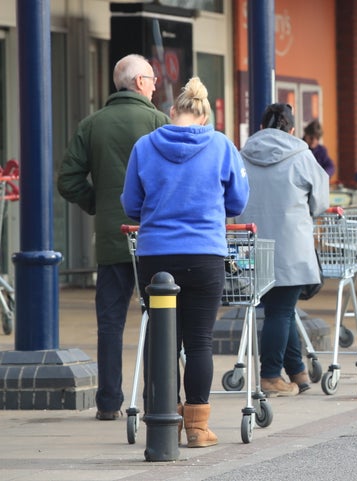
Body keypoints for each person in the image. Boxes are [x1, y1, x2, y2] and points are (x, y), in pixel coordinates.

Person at [120, 77, 250, 447]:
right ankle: (197, 427)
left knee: (162, 340)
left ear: (171, 112)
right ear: (205, 116)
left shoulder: (145, 146)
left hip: (155, 255)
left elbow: (131, 204)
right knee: (198, 343)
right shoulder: (222, 146)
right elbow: (237, 203)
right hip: (205, 254)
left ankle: (163, 419)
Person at [57, 54, 170, 421]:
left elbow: (68, 180)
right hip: (152, 238)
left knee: (110, 324)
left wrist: (102, 206)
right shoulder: (158, 123)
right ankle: (157, 399)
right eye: (152, 78)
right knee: (159, 317)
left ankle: (108, 403)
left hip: (110, 238)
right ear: (139, 83)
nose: (155, 85)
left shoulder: (92, 124)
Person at [237, 103, 330, 396]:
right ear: (291, 130)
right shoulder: (302, 156)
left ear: (262, 128)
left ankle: (297, 373)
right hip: (292, 248)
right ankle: (270, 376)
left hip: (253, 247)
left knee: (283, 309)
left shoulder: (242, 155)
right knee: (280, 311)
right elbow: (321, 203)